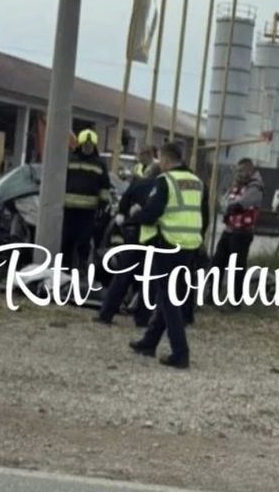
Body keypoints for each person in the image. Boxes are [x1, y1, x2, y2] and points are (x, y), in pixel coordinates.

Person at [129, 142, 210, 368]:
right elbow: (204, 215)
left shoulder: (166, 181)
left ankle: (180, 352)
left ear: (165, 160)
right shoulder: (197, 182)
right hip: (190, 245)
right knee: (170, 295)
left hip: (168, 243)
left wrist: (136, 215)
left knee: (167, 298)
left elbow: (152, 213)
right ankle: (149, 342)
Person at [93, 163, 162, 326]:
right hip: (155, 236)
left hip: (134, 234)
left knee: (123, 275)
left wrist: (129, 217)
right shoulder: (163, 187)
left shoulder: (138, 184)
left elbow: (123, 207)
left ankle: (107, 313)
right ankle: (143, 318)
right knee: (149, 279)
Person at [212, 157, 265, 306]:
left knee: (237, 267)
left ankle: (235, 300)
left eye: (241, 170)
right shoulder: (238, 185)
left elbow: (241, 204)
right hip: (229, 229)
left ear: (249, 169)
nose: (239, 173)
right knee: (217, 262)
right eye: (237, 171)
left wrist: (230, 206)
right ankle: (212, 294)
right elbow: (225, 201)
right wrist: (228, 205)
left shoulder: (255, 187)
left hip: (242, 232)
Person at [62, 129, 111, 274]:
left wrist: (102, 205)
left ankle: (82, 267)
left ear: (94, 146)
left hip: (88, 211)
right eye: (85, 145)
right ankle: (65, 267)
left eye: (90, 145)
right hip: (69, 208)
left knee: (84, 240)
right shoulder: (70, 159)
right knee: (67, 240)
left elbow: (104, 186)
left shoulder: (100, 164)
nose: (87, 148)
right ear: (80, 144)